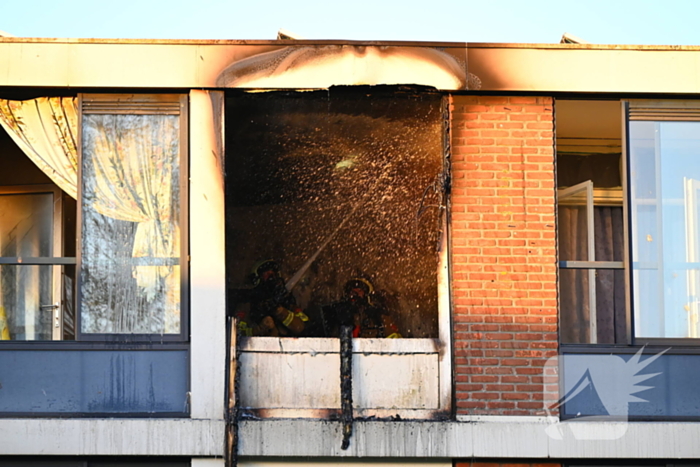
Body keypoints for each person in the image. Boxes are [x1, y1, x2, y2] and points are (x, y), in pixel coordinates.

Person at [230, 260, 309, 337]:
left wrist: (281, 312)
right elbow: (236, 333)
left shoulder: (286, 300)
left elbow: (302, 328)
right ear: (256, 278)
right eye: (267, 274)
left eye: (273, 273)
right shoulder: (247, 303)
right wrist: (258, 329)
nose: (272, 277)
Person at [323, 277, 401, 338]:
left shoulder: (376, 313)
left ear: (366, 294)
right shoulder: (337, 311)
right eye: (352, 291)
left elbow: (392, 337)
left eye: (359, 291)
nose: (355, 294)